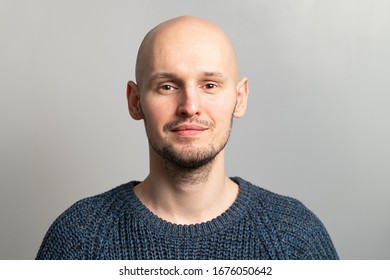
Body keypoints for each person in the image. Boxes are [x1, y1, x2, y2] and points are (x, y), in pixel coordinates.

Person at [36, 16, 338, 260]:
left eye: (209, 85)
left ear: (240, 98)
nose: (190, 107)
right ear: (135, 101)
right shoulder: (79, 238)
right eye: (167, 86)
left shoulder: (295, 237)